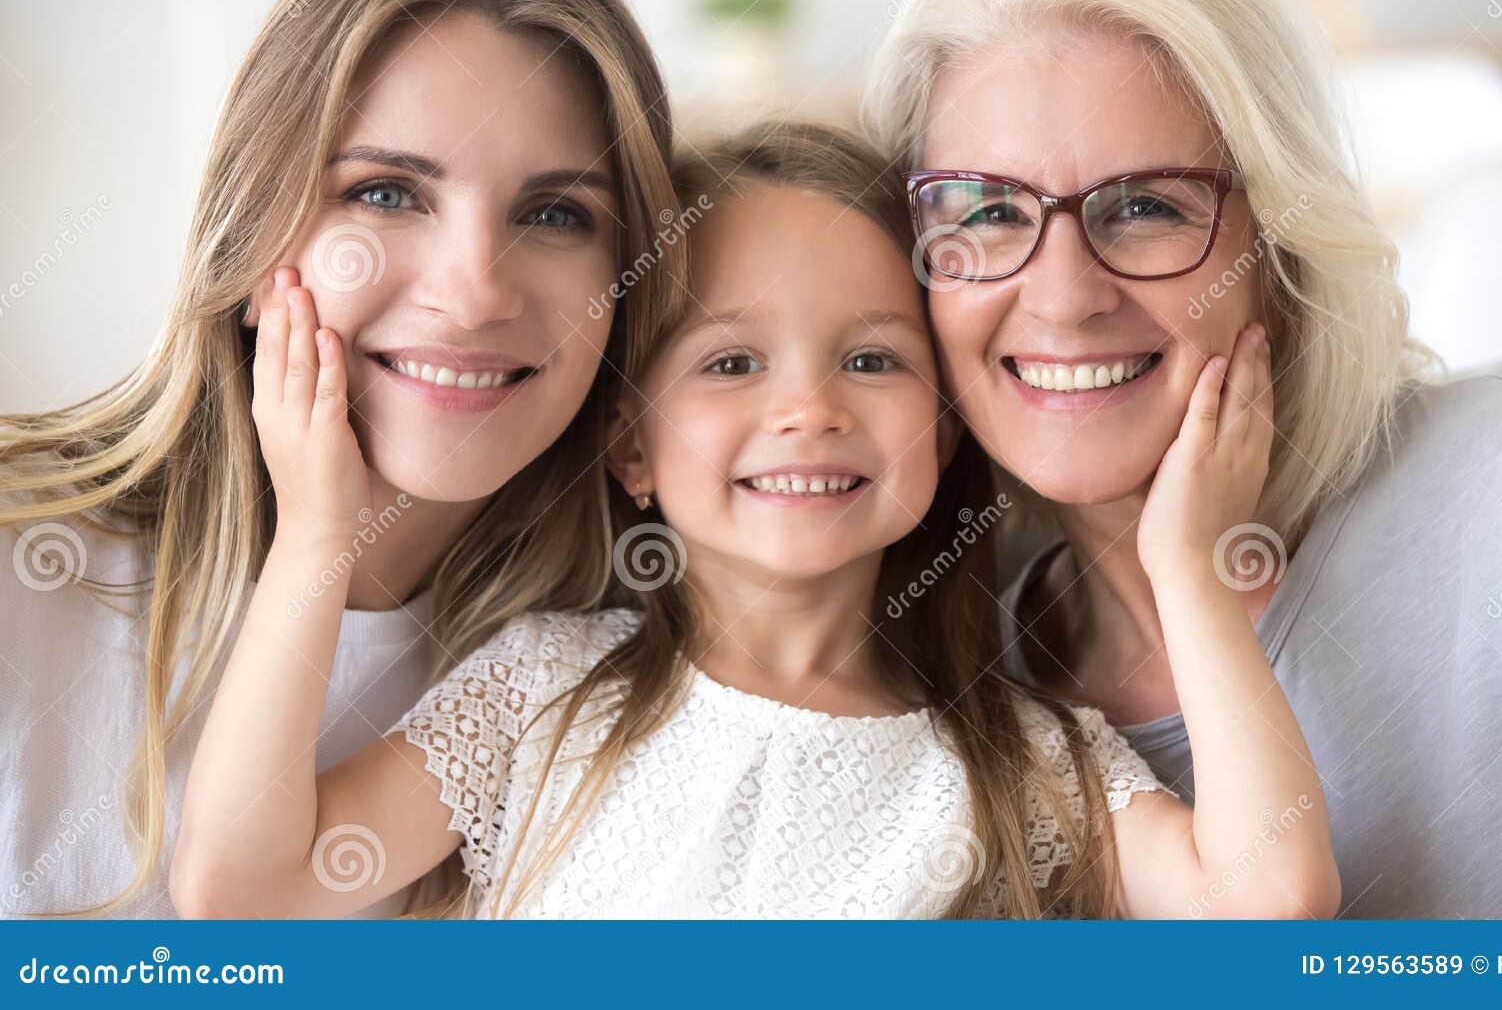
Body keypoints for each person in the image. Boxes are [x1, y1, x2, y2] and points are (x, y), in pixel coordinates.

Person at [171, 122, 1337, 919]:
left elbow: (1265, 901)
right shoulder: (538, 695)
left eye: (872, 359)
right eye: (730, 360)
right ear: (629, 443)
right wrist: (318, 535)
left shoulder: (1023, 759)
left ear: (941, 430)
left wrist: (1184, 565)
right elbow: (243, 884)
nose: (808, 410)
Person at [863, 0, 1502, 916]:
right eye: (986, 211)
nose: (1065, 296)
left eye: (1146, 206)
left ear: (1281, 252)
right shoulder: (943, 684)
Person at [0, 0, 681, 917]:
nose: (474, 291)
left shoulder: (616, 669)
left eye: (554, 212)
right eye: (387, 192)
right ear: (252, 221)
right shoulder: (26, 569)